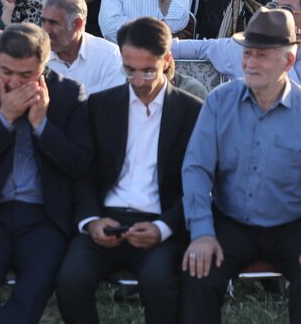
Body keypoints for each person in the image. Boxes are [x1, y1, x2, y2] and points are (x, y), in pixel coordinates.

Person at [179, 8, 301, 324]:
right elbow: (197, 169)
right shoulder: (219, 102)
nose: (250, 63)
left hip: (292, 223)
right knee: (198, 273)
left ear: (288, 61)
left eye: (262, 55)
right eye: (247, 54)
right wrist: (201, 232)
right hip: (231, 220)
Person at [56, 17, 203, 324]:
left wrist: (164, 228)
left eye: (148, 70)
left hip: (159, 223)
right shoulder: (99, 106)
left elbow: (198, 184)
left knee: (158, 284)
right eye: (129, 70)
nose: (138, 80)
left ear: (167, 61)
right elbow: (84, 174)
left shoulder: (192, 111)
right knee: (70, 280)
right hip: (106, 219)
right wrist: (90, 221)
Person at [0, 21, 91, 323]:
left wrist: (42, 126)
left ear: (43, 67)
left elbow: (80, 164)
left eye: (26, 75)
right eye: (6, 72)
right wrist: (4, 119)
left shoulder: (68, 93)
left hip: (44, 217)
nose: (14, 82)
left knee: (33, 291)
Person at [172, 0, 301, 107]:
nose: (276, 14)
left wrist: (281, 53)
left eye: (287, 10)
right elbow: (198, 48)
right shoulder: (242, 46)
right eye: (273, 7)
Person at [41, 0, 124, 94]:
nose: (45, 30)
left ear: (77, 24)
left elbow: (113, 101)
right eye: (43, 21)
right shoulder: (35, 57)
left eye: (53, 23)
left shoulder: (109, 56)